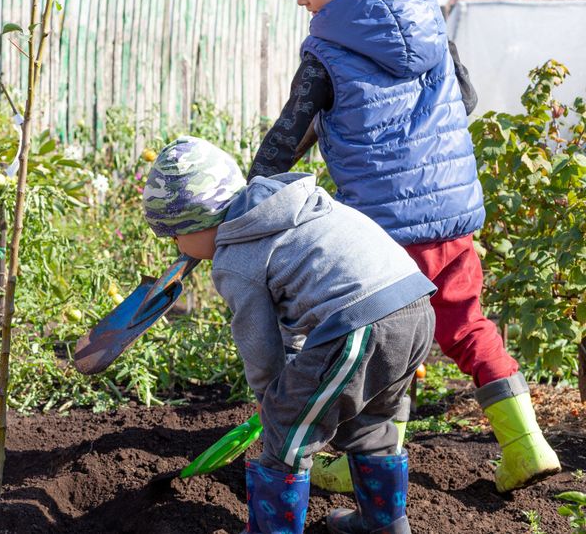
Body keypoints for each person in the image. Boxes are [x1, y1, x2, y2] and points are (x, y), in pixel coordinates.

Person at [249, 0, 559, 493]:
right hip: (450, 217)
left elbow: (284, 142)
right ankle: (527, 444)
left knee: (387, 344)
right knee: (464, 325)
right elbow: (462, 101)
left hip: (385, 233)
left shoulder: (325, 52)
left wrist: (252, 199)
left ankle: (364, 458)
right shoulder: (432, 28)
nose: (300, 1)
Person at [144, 136, 435, 534]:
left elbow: (259, 343)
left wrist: (269, 399)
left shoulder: (236, 257)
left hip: (359, 323)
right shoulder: (284, 206)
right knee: (369, 420)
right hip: (414, 305)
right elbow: (296, 322)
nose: (178, 248)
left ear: (198, 220)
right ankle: (383, 523)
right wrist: (295, 370)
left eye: (174, 235)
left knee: (287, 429)